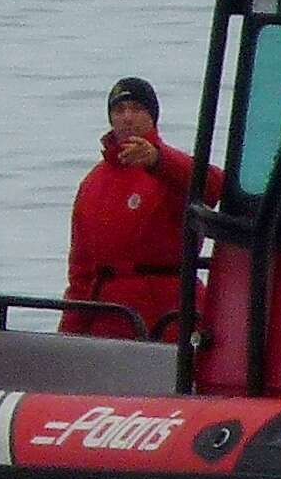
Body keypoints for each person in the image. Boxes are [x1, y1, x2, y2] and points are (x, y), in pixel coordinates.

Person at [66, 75, 214, 343]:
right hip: (108, 320)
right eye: (119, 110)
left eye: (136, 109)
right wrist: (67, 335)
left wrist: (159, 160)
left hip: (167, 319)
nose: (127, 118)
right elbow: (81, 273)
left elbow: (216, 186)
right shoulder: (92, 184)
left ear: (153, 116)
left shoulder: (174, 171)